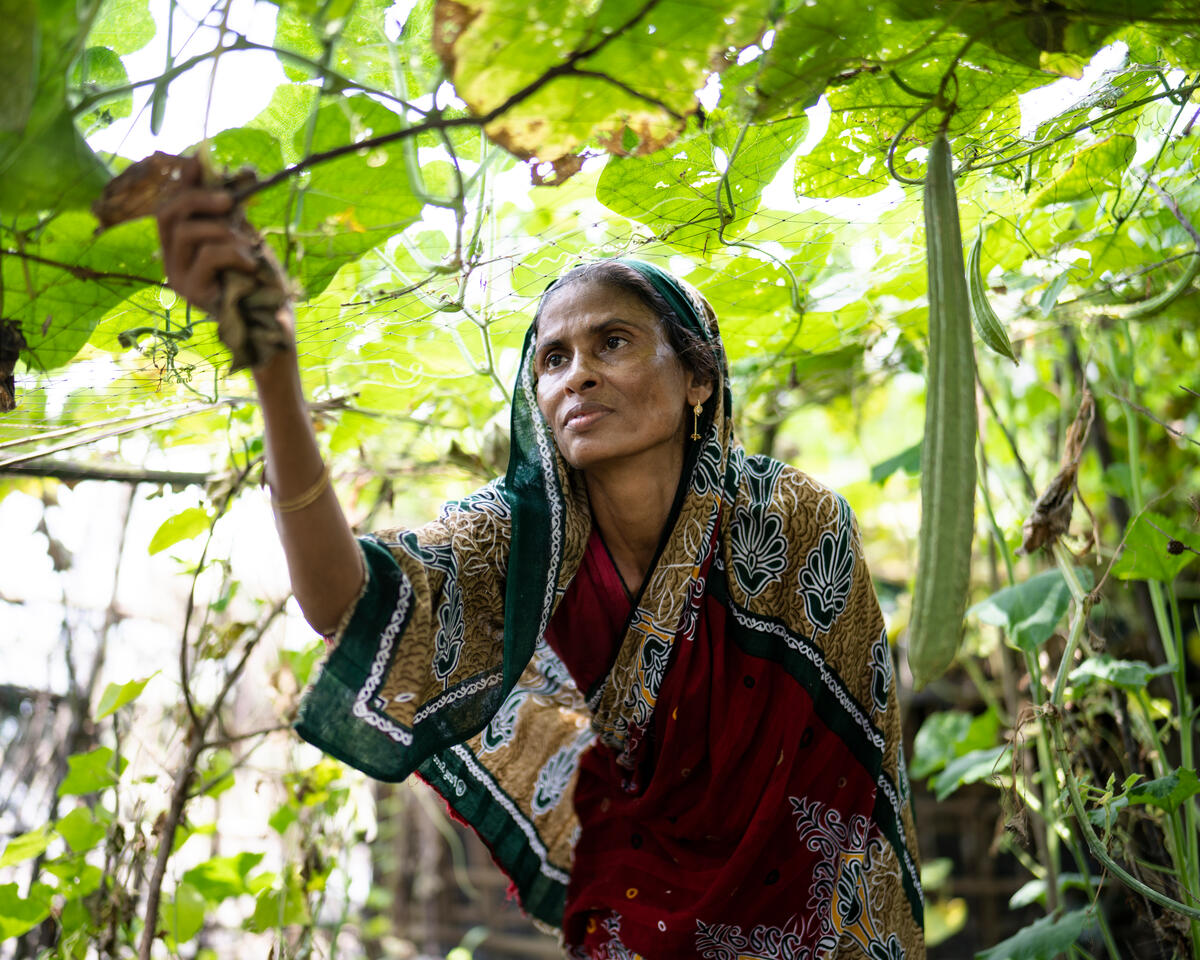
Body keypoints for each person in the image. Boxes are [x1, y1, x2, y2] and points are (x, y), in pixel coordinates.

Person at [157, 169, 924, 959]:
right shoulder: (521, 535)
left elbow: (852, 771)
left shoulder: (796, 519)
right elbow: (354, 607)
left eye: (612, 343)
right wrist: (275, 371)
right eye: (552, 360)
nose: (577, 375)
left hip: (819, 926)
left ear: (698, 376)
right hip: (630, 915)